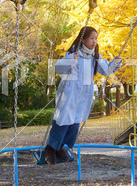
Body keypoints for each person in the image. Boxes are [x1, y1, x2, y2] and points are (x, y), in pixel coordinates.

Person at [44, 26, 122, 164]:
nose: (94, 42)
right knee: (63, 119)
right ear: (84, 40)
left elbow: (105, 70)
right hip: (69, 90)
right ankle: (50, 147)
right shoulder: (74, 53)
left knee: (75, 121)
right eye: (91, 38)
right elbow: (58, 68)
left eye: (96, 39)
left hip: (83, 93)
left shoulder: (95, 56)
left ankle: (60, 147)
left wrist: (115, 63)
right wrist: (71, 60)